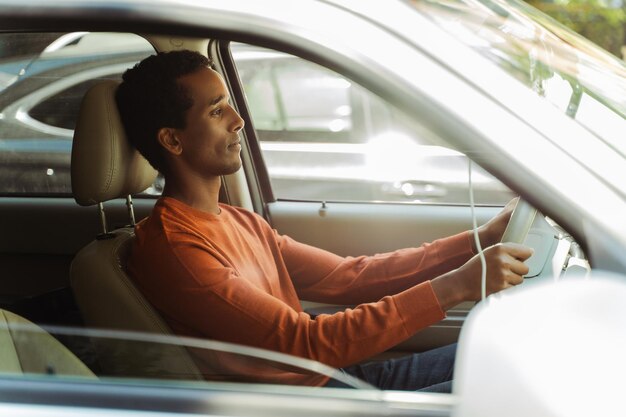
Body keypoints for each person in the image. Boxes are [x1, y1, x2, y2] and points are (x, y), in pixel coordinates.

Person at [116, 50, 533, 392]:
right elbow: (306, 342)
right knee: (513, 393)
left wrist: (478, 239)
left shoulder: (236, 220)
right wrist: (458, 284)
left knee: (518, 352)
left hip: (332, 385)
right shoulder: (174, 248)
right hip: (301, 406)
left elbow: (350, 277)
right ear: (173, 140)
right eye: (216, 111)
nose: (238, 120)